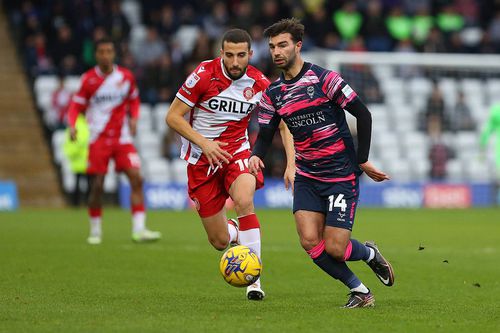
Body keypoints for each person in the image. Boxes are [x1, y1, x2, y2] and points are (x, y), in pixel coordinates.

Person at [248, 18, 395, 308]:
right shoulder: (273, 95)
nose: (277, 52)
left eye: (283, 45)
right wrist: (256, 154)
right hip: (307, 177)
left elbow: (363, 114)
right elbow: (265, 134)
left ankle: (368, 254)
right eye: (272, 47)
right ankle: (361, 291)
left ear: (298, 46)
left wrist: (362, 159)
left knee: (336, 248)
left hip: (340, 175)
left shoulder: (324, 79)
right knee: (309, 241)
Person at [166, 29, 292, 301]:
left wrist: (291, 163)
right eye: (230, 55)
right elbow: (173, 117)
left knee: (245, 199)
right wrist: (205, 143)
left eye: (241, 55)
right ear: (221, 53)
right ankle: (236, 231)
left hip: (237, 153)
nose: (235, 62)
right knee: (220, 242)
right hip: (203, 160)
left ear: (250, 54)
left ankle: (254, 281)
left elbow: (283, 123)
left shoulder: (259, 82)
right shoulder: (203, 75)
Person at [67, 38, 161, 245]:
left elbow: (134, 99)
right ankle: (95, 230)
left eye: (109, 51)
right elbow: (76, 106)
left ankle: (139, 229)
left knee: (136, 178)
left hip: (122, 138)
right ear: (96, 54)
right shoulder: (88, 79)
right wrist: (73, 124)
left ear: (114, 54)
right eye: (101, 51)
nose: (106, 55)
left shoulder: (126, 77)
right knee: (98, 186)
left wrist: (134, 118)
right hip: (98, 139)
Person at [63, 113, 89, 206]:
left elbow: (68, 143)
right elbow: (85, 142)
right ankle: (88, 203)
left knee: (77, 183)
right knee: (88, 184)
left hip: (76, 160)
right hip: (86, 160)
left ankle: (75, 203)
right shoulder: (86, 126)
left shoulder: (72, 127)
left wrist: (72, 154)